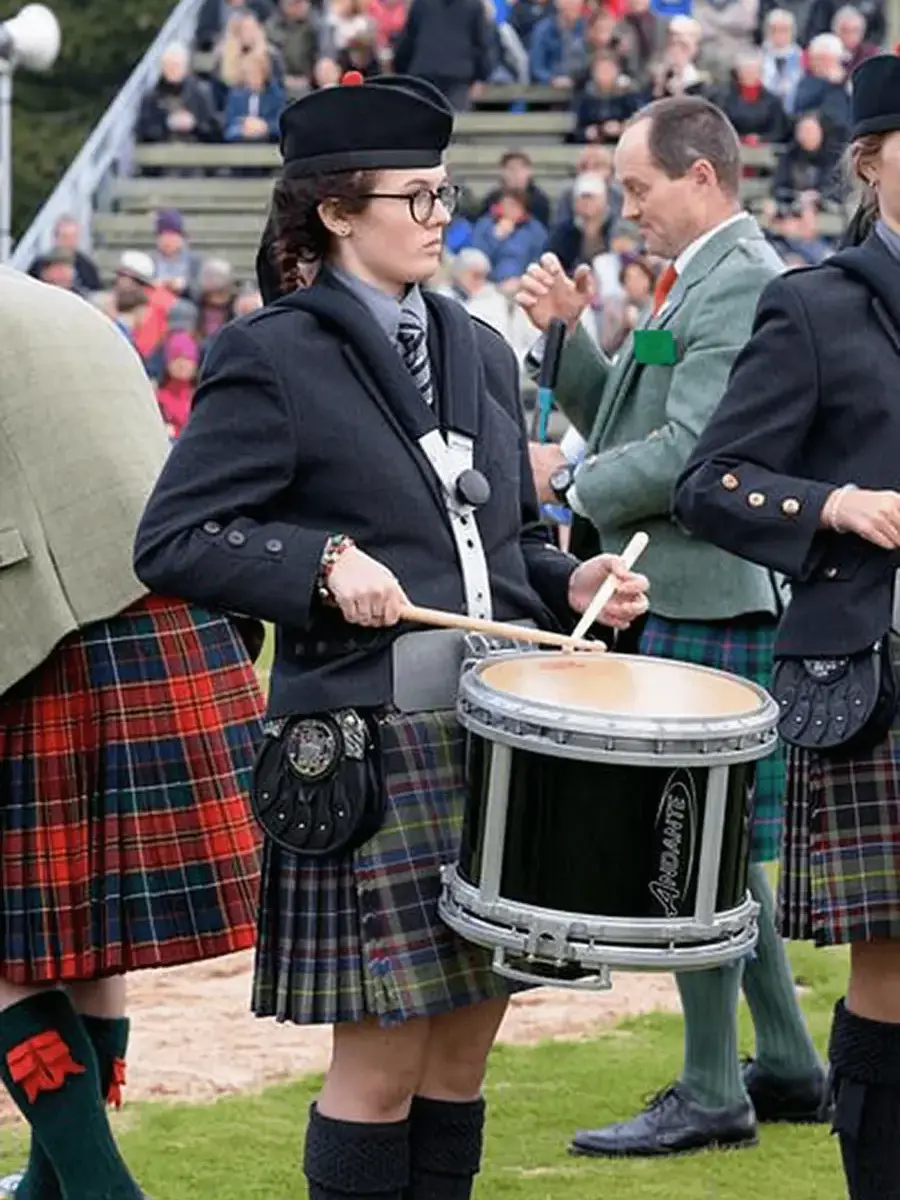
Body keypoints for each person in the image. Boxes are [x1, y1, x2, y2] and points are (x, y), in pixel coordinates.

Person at [132, 72, 650, 1200]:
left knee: (463, 1059)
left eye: (443, 191)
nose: (438, 215)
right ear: (334, 209)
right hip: (368, 747)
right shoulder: (269, 353)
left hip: (498, 735)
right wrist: (317, 562)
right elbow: (173, 539)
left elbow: (502, 547)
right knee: (378, 1069)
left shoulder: (470, 342)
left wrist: (577, 582)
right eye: (414, 196)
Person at [516, 94, 826, 1158]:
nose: (625, 208)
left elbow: (692, 455)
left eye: (639, 188)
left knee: (693, 850)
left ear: (703, 176)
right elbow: (628, 416)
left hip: (710, 593)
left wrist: (567, 479)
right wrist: (564, 341)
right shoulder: (696, 277)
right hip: (691, 591)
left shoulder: (740, 282)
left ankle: (710, 1087)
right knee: (725, 852)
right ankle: (782, 1063)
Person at [674, 55, 900, 1200]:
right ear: (870, 160)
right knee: (895, 974)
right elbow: (712, 483)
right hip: (881, 671)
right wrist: (834, 505)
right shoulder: (814, 304)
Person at [0, 269, 263, 1200]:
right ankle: (49, 1185)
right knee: (83, 944)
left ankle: (103, 1188)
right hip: (172, 619)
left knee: (8, 949)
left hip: (51, 640)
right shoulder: (62, 304)